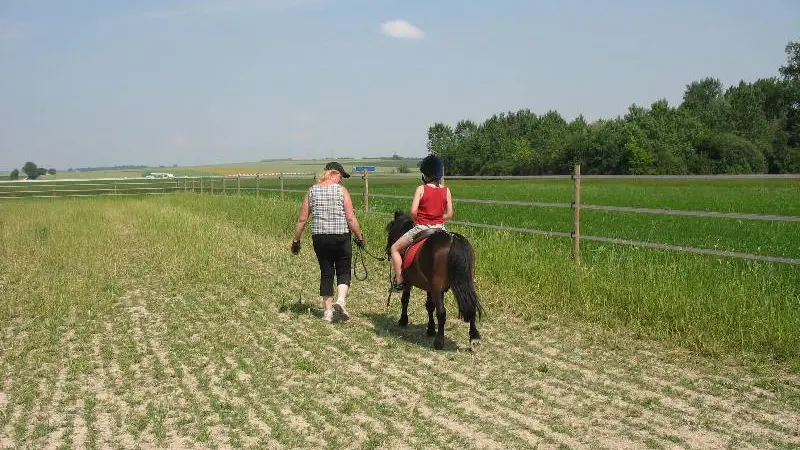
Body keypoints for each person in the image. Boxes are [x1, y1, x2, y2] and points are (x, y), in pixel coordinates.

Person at [291, 162, 365, 323]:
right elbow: (351, 218)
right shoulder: (341, 191)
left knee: (326, 272)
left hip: (320, 237)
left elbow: (302, 219)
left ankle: (328, 313)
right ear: (333, 173)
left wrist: (296, 239)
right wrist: (359, 236)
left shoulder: (312, 191)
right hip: (340, 236)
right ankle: (341, 301)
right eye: (340, 176)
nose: (341, 180)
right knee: (343, 270)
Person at [388, 154, 453, 292]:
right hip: (441, 228)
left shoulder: (421, 189)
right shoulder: (446, 190)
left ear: (425, 174)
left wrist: (420, 220)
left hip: (422, 227)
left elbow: (413, 212)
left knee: (394, 249)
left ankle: (399, 280)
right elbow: (450, 214)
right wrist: (438, 219)